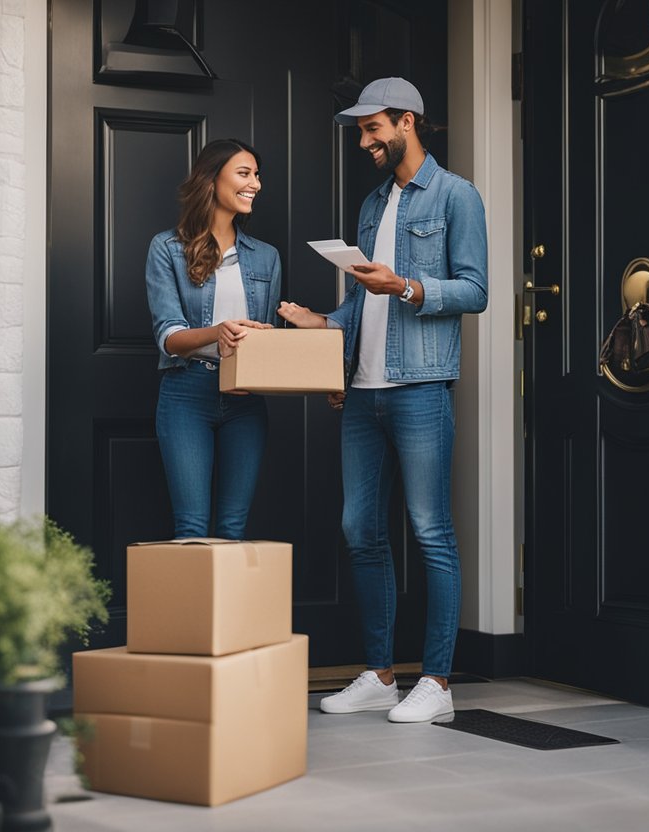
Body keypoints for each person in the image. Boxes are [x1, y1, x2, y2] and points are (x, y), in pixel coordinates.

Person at [279, 78, 488, 722]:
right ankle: (378, 672)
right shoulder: (373, 205)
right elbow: (360, 302)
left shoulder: (458, 196)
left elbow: (475, 290)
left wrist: (407, 286)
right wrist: (323, 324)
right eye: (361, 132)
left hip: (421, 388)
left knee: (430, 531)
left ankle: (439, 685)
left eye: (372, 129)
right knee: (359, 530)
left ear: (406, 121)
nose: (364, 142)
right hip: (363, 392)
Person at [146, 138, 281, 540]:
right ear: (211, 180)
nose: (255, 183)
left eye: (257, 175)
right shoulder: (168, 249)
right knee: (190, 527)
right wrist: (219, 331)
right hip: (188, 393)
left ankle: (229, 607)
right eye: (244, 173)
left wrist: (274, 335)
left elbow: (264, 337)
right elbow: (168, 336)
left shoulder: (266, 257)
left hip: (246, 400)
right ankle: (192, 606)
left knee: (233, 527)